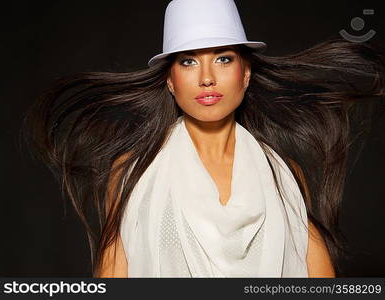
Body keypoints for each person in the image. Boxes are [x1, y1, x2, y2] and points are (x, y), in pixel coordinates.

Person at [23, 0, 385, 278]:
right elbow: (115, 279)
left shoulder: (284, 176)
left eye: (224, 59)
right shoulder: (134, 173)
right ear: (169, 80)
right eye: (188, 62)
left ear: (245, 74)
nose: (207, 78)